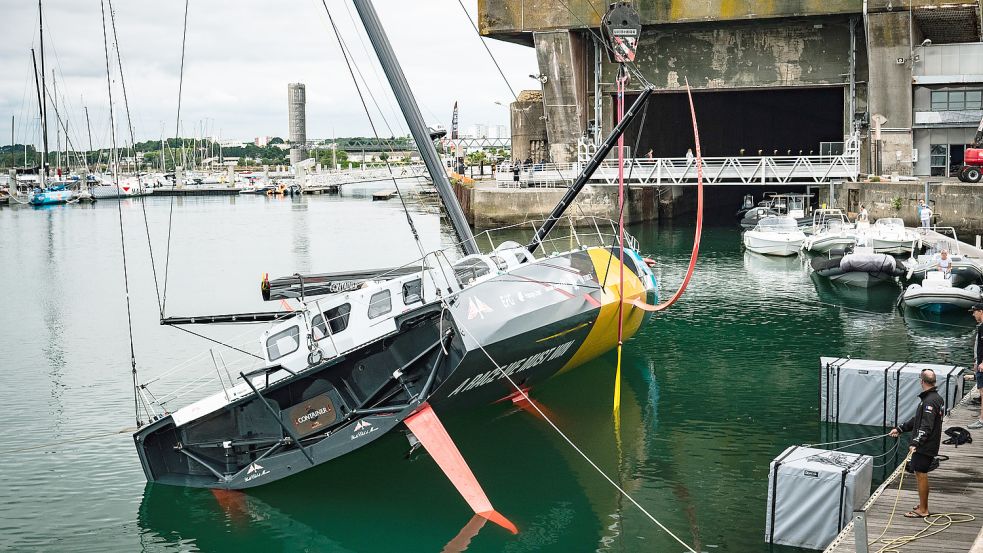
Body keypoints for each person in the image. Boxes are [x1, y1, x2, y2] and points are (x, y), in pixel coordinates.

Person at [889, 369, 944, 518]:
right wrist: (901, 429)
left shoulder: (929, 401)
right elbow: (917, 420)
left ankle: (924, 510)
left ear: (922, 381)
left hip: (926, 445)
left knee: (921, 474)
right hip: (928, 443)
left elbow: (926, 426)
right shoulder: (935, 398)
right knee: (920, 473)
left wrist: (916, 443)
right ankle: (922, 504)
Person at [968, 304, 983, 417]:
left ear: (981, 311)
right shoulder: (980, 326)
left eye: (974, 312)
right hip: (979, 362)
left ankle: (982, 419)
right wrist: (976, 360)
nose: (973, 314)